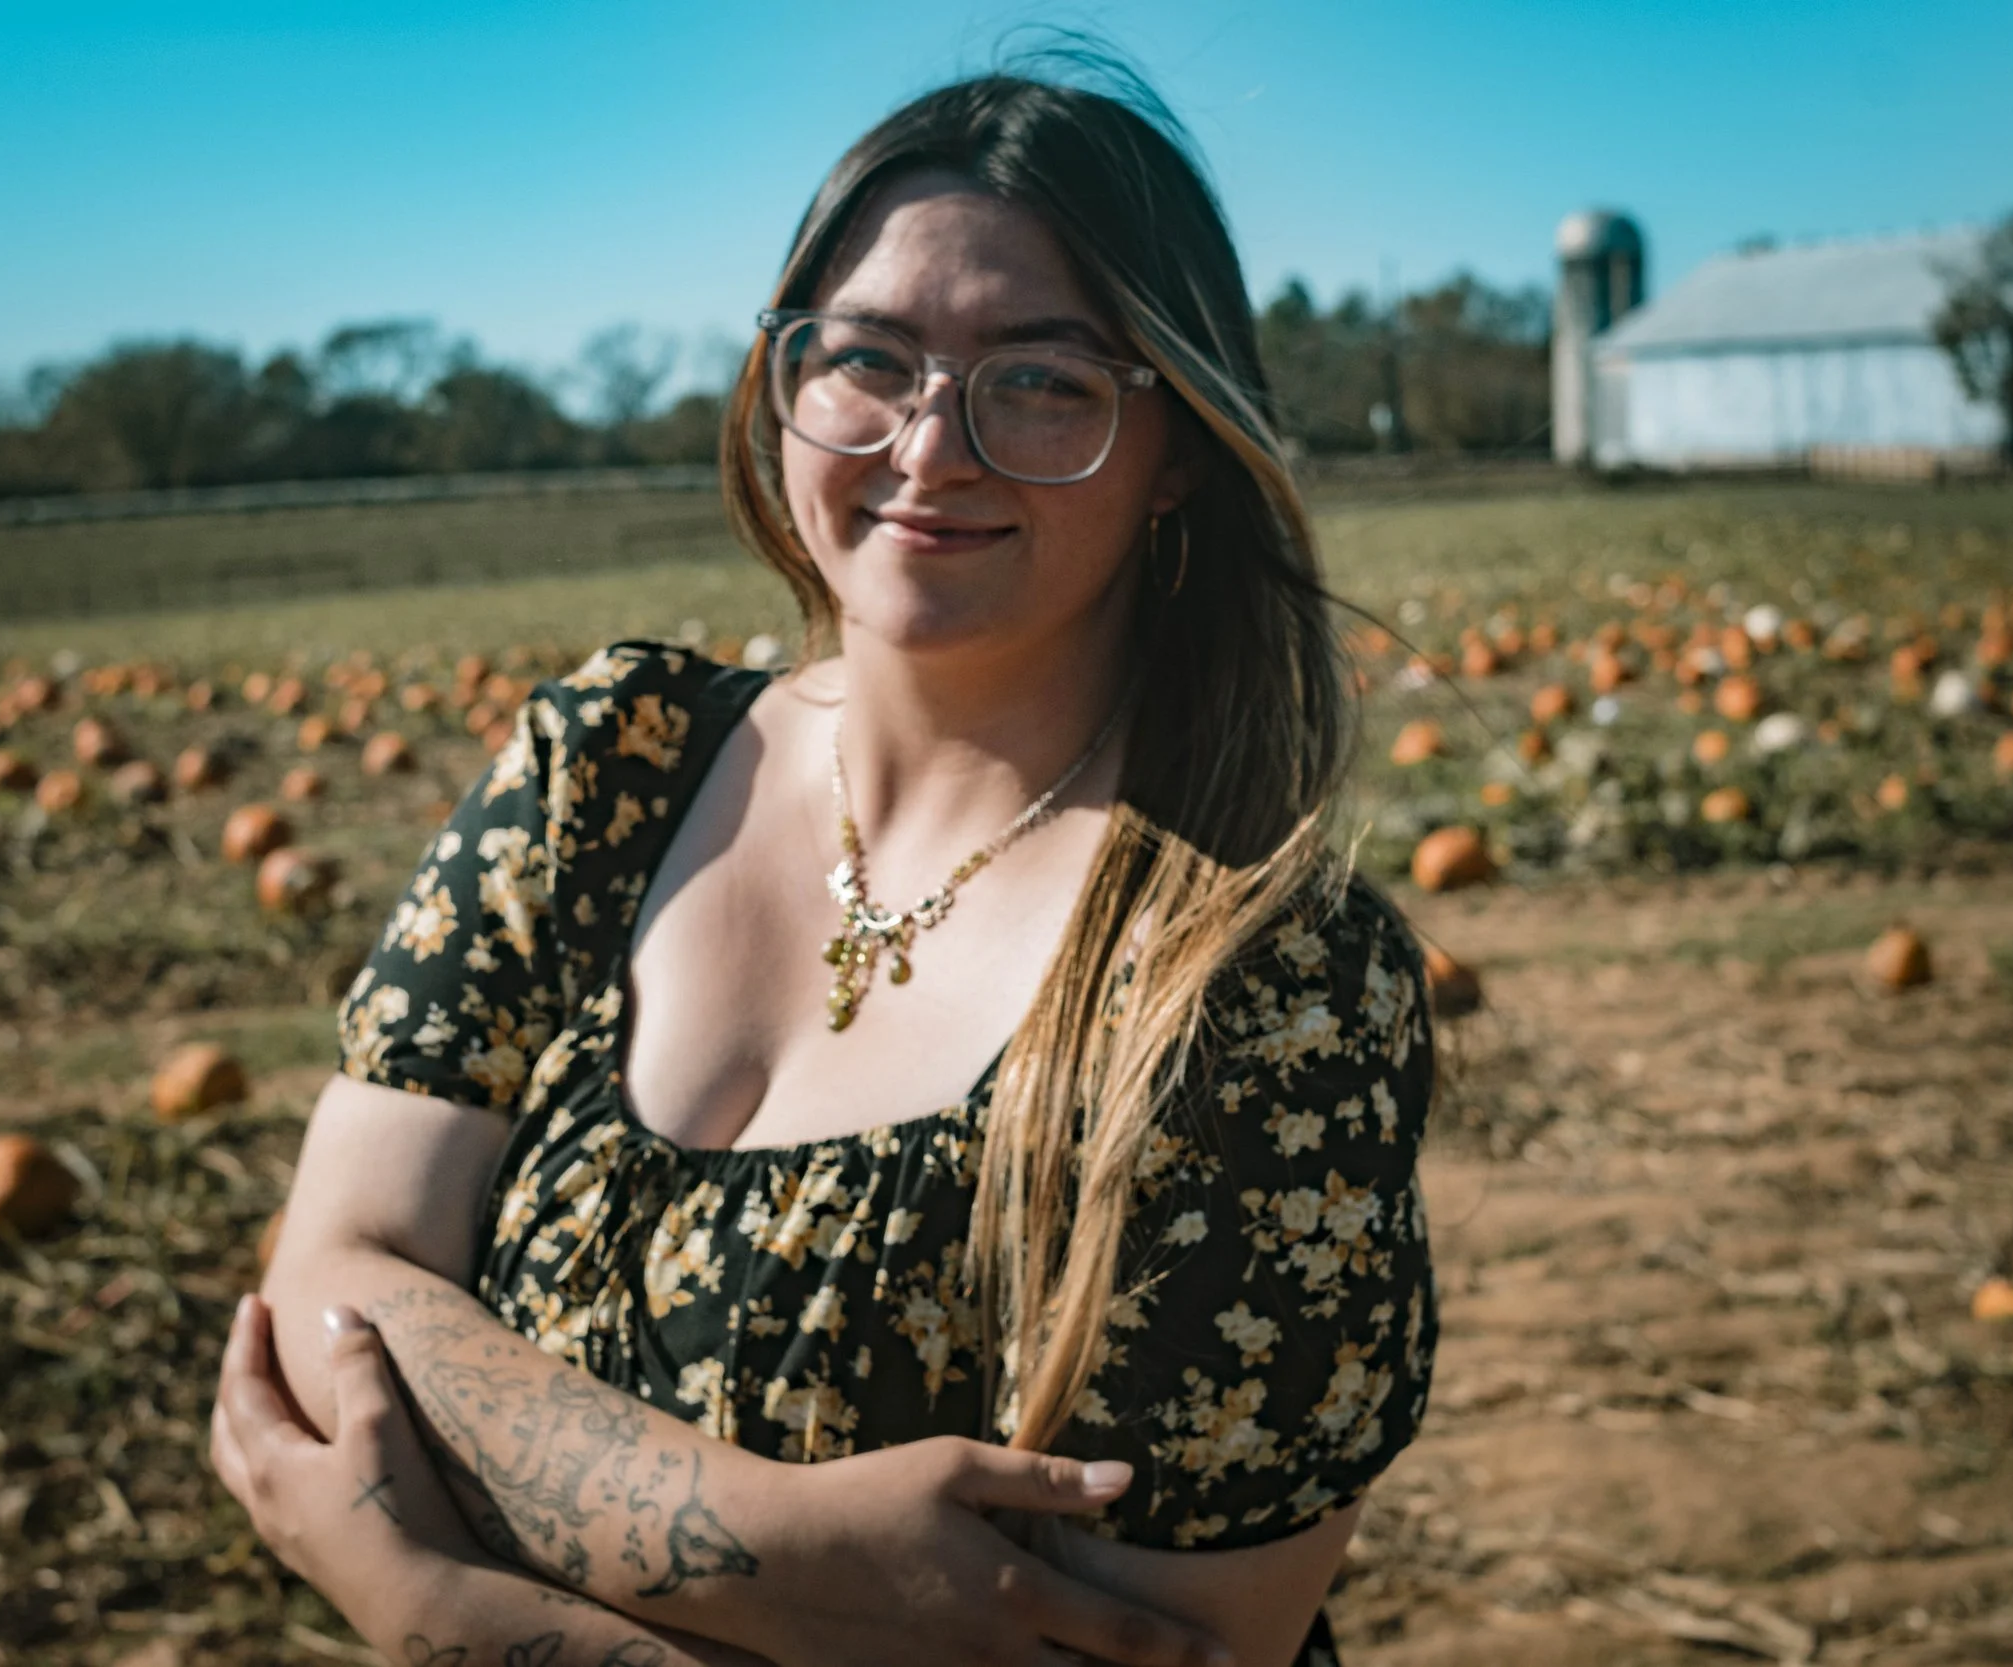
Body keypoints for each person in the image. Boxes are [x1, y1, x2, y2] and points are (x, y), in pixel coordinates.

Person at [212, 53, 1438, 1667]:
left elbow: (1171, 1651)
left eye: (1042, 379)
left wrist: (448, 1612)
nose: (931, 447)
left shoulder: (1258, 988)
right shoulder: (610, 768)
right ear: (782, 380)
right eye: (865, 359)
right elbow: (330, 1286)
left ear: (1181, 444)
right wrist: (794, 1545)